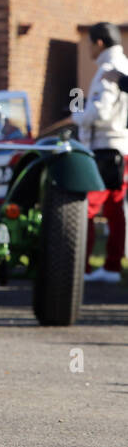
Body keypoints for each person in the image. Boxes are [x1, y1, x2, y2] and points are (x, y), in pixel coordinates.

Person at [73, 21, 128, 283]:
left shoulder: (108, 70)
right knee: (116, 210)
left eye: (88, 44)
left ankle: (79, 268)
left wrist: (78, 115)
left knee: (88, 208)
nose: (87, 49)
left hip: (105, 148)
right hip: (120, 147)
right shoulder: (123, 65)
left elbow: (101, 111)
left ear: (99, 43)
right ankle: (112, 267)